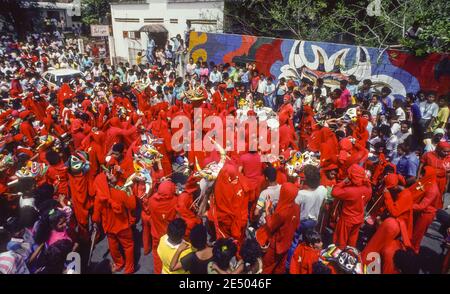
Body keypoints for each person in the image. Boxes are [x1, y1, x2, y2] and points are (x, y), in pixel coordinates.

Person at [259, 182, 300, 274]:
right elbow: (296, 224)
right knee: (280, 268)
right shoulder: (296, 207)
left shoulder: (283, 212)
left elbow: (271, 225)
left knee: (266, 267)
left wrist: (267, 210)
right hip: (287, 244)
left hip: (276, 245)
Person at [332, 164, 372, 249]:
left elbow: (334, 192)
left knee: (341, 241)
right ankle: (350, 254)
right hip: (359, 218)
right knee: (352, 241)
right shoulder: (368, 188)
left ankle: (338, 256)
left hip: (347, 219)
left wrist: (344, 181)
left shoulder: (350, 191)